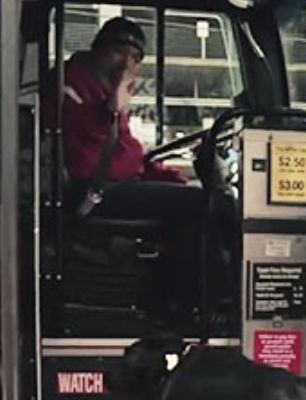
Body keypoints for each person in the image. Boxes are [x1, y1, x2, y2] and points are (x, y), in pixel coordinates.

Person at [44, 17, 236, 324]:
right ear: (99, 49)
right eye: (119, 52)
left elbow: (128, 154)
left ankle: (180, 306)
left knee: (199, 210)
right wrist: (112, 109)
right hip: (89, 192)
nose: (127, 63)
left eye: (134, 58)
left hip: (109, 185)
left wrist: (174, 179)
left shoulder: (104, 90)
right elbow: (94, 156)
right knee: (206, 206)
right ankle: (221, 301)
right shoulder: (71, 86)